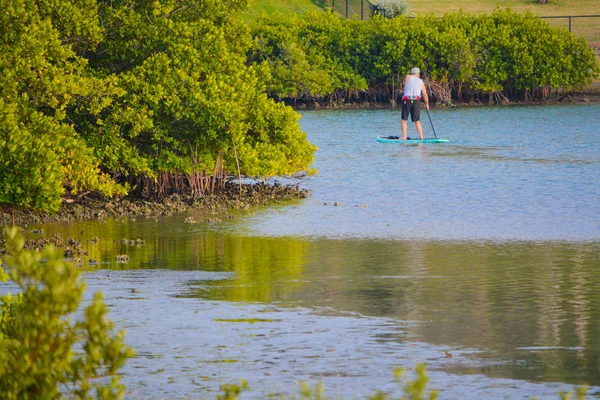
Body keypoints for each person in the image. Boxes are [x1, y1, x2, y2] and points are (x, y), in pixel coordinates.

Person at [401, 67, 429, 140]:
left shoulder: (408, 77)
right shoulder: (421, 82)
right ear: (418, 74)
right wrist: (427, 104)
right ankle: (421, 137)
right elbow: (425, 94)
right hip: (416, 101)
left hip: (407, 101)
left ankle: (404, 137)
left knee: (404, 119)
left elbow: (407, 78)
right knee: (417, 120)